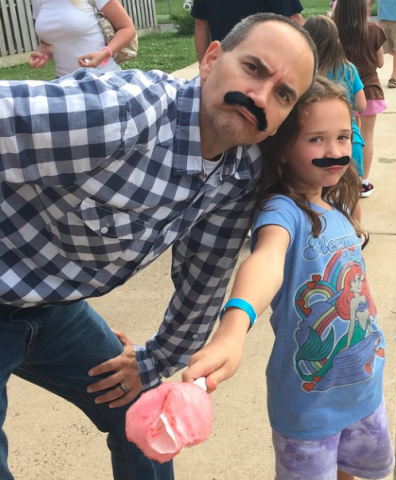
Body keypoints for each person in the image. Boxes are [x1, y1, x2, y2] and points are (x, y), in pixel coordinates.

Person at [0, 13, 317, 480]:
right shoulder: (123, 113)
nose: (261, 97)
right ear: (211, 59)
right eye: (253, 68)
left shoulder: (238, 173)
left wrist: (154, 361)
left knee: (147, 416)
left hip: (52, 305)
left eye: (283, 94)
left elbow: (203, 282)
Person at [183, 76, 394, 480]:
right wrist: (233, 327)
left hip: (364, 389)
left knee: (356, 472)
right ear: (281, 150)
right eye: (316, 140)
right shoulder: (283, 212)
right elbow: (265, 261)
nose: (335, 152)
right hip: (309, 406)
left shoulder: (330, 202)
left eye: (344, 137)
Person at [304, 15, 367, 225]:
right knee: (351, 192)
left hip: (317, 146)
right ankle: (356, 233)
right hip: (350, 143)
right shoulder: (348, 68)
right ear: (336, 40)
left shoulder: (306, 72)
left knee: (323, 196)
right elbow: (363, 105)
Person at [334, 0, 387, 197]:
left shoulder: (335, 30)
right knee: (367, 137)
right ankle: (363, 182)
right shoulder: (373, 29)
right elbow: (381, 63)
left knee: (347, 136)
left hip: (343, 91)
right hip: (370, 90)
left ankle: (345, 178)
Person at [29, 0, 136, 78]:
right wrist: (43, 55)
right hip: (65, 84)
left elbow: (127, 28)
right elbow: (46, 43)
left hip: (103, 78)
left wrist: (104, 53)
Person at [191, 0, 304, 61]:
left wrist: (204, 66)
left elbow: (201, 24)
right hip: (266, 64)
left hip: (224, 62)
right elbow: (294, 19)